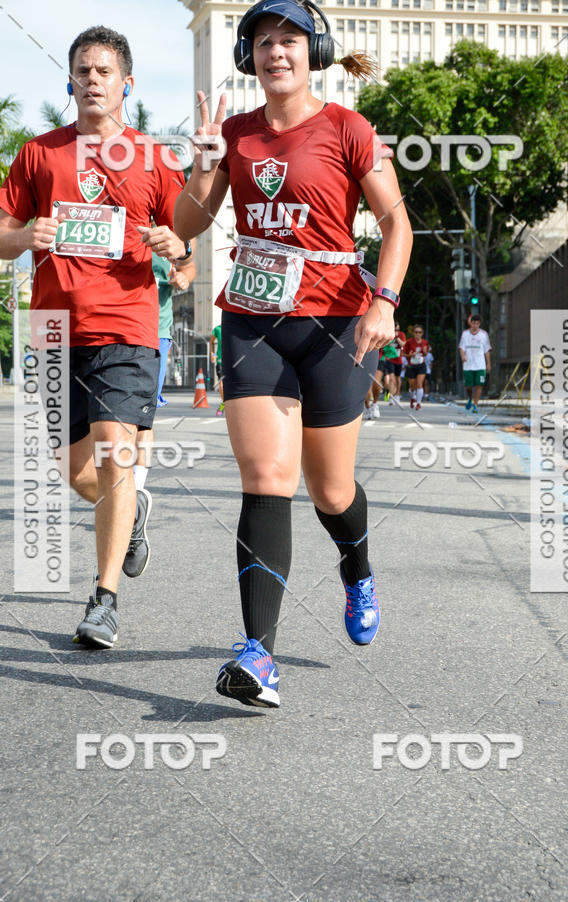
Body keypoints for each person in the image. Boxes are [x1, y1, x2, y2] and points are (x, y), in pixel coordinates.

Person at [174, 0, 412, 708]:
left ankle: (357, 567)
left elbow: (397, 224)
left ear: (315, 52)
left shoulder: (348, 128)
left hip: (337, 324)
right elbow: (187, 224)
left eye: (289, 40)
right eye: (263, 42)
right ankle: (259, 656)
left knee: (330, 491)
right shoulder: (236, 134)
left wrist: (384, 302)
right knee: (266, 477)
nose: (276, 51)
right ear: (249, 58)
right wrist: (203, 164)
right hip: (253, 319)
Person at [0, 26, 189, 647]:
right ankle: (133, 511)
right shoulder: (38, 155)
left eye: (104, 71)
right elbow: (1, 233)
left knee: (114, 451)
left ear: (126, 84)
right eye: (83, 70)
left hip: (126, 327)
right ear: (70, 80)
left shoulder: (154, 158)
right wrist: (23, 237)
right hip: (54, 331)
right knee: (76, 472)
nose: (92, 80)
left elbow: (185, 246)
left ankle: (103, 600)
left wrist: (177, 251)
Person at [130, 245, 196, 578]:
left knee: (142, 418)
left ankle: (135, 495)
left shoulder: (172, 227)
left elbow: (189, 264)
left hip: (156, 333)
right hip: (114, 329)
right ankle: (123, 498)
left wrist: (184, 277)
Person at [459, 313, 491, 413]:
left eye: (477, 323)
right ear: (470, 323)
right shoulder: (465, 334)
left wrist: (488, 363)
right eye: (473, 323)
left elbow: (487, 350)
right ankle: (469, 398)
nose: (475, 325)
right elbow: (461, 348)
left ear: (479, 324)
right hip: (468, 365)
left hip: (480, 365)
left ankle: (475, 405)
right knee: (468, 386)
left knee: (479, 385)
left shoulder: (484, 334)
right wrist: (463, 356)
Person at [403, 324, 430, 410]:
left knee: (419, 384)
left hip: (421, 365)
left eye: (420, 332)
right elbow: (402, 353)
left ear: (422, 333)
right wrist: (409, 355)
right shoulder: (409, 342)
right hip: (411, 366)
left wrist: (425, 352)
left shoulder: (425, 342)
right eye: (416, 332)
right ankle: (413, 397)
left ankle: (418, 403)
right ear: (413, 333)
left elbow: (426, 353)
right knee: (412, 386)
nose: (418, 334)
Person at [210, 321, 224, 415]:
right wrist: (213, 354)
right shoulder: (218, 329)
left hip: (233, 361)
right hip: (220, 361)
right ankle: (223, 404)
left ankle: (227, 404)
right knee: (221, 385)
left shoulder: (234, 327)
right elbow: (211, 342)